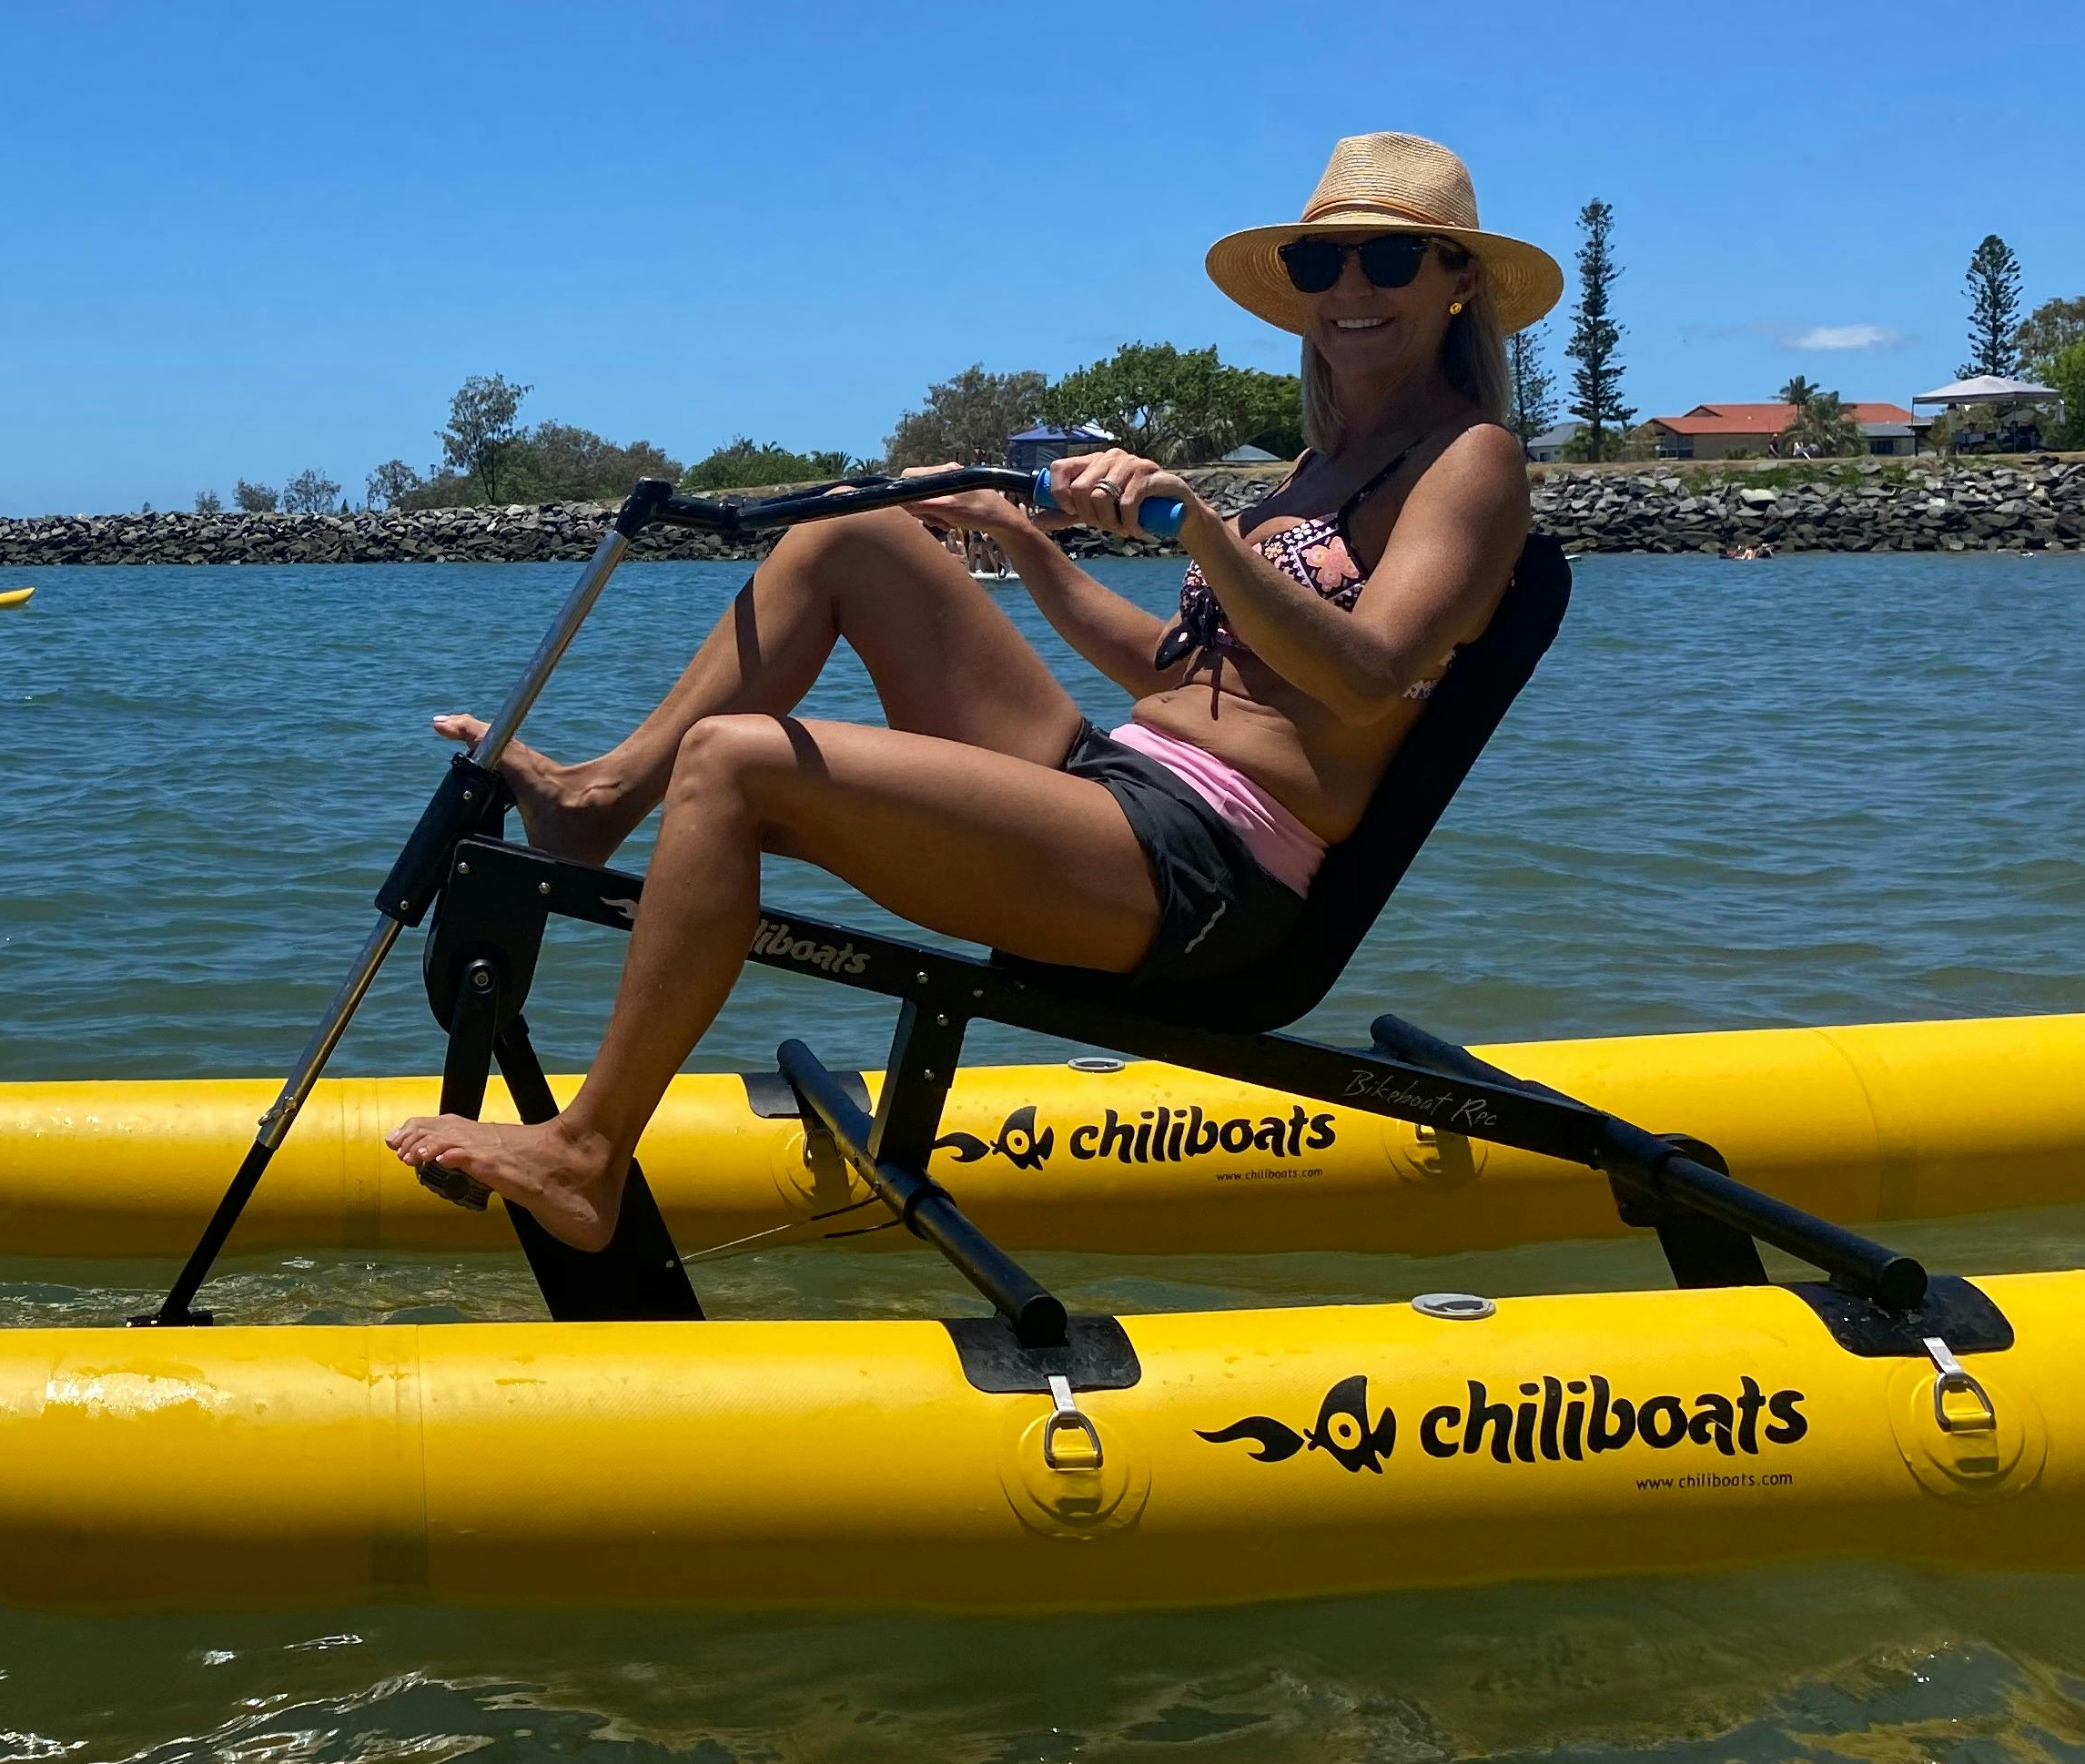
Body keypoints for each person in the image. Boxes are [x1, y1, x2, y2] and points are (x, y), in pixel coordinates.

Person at [390, 131, 1553, 1250]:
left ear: (1459, 281)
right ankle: (600, 803)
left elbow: (1368, 682)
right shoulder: (1317, 466)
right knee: (854, 538)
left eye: (1390, 256)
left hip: (1205, 868)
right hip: (1117, 785)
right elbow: (1177, 672)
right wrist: (1027, 544)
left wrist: (1198, 524)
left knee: (736, 763)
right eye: (1321, 260)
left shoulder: (1470, 461)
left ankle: (587, 1154)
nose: (1351, 285)